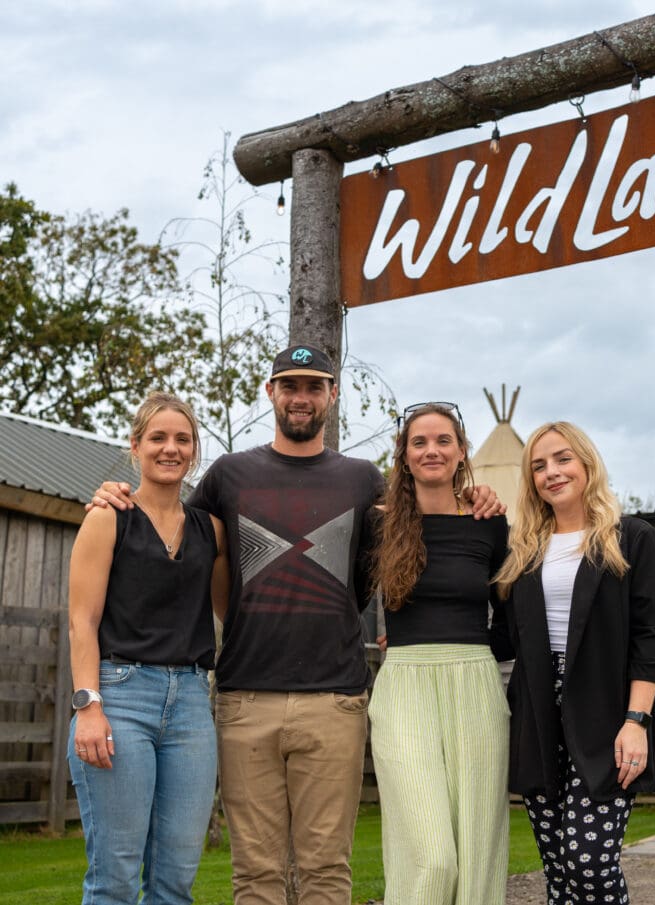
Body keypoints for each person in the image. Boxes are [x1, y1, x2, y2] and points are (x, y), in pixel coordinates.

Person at [88, 345, 502, 905]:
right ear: (271, 392)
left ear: (332, 394)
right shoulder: (228, 475)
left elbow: (419, 515)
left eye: (313, 386)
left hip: (335, 700)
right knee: (255, 874)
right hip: (245, 700)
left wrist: (473, 492)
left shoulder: (363, 480)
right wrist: (117, 490)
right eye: (289, 385)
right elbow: (176, 524)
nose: (301, 397)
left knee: (326, 870)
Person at [493, 421, 655, 905]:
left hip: (607, 710)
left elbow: (649, 638)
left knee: (588, 862)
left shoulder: (632, 538)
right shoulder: (521, 550)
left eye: (562, 459)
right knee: (559, 872)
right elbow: (503, 639)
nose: (551, 472)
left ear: (587, 463)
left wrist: (636, 721)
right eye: (539, 466)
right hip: (537, 713)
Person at [67, 392, 229, 905]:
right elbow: (82, 622)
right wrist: (88, 706)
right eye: (157, 437)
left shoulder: (211, 530)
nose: (170, 448)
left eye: (183, 439)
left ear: (194, 451)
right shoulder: (108, 517)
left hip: (190, 705)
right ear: (135, 446)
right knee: (114, 879)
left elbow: (230, 609)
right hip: (119, 699)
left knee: (175, 881)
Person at [368, 402, 510, 905]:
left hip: (475, 684)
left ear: (462, 451)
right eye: (420, 442)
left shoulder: (489, 523)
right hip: (404, 685)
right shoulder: (378, 524)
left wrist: (461, 648)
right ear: (404, 455)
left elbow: (510, 622)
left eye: (443, 440)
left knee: (476, 846)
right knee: (432, 855)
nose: (432, 450)